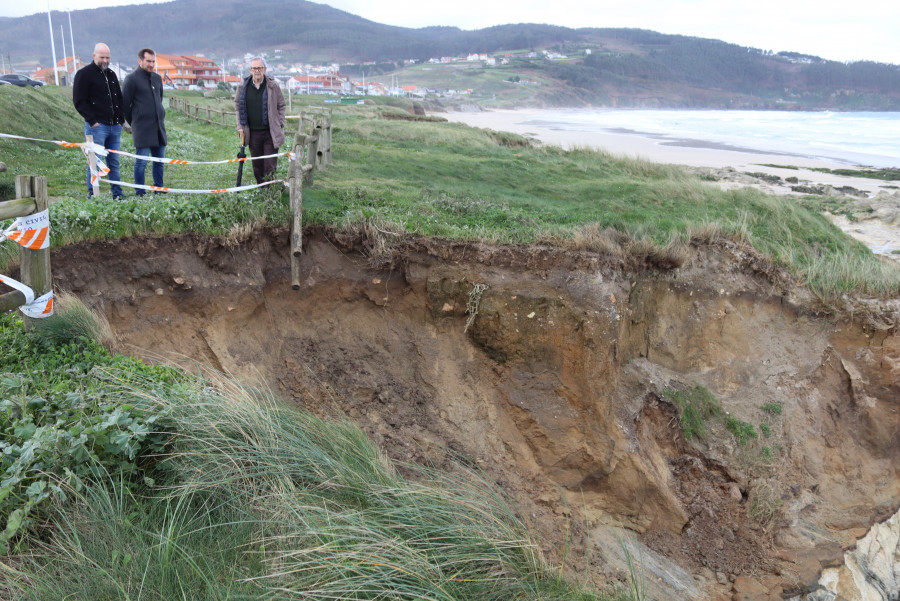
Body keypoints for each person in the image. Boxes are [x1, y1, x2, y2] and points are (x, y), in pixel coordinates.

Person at [73, 42, 125, 199]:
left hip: (114, 126)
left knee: (114, 163)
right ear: (94, 55)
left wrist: (120, 120)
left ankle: (117, 194)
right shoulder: (84, 74)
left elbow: (119, 98)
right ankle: (93, 195)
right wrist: (93, 121)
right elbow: (79, 101)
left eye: (107, 57)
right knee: (95, 163)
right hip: (97, 127)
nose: (105, 60)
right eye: (102, 57)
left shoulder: (112, 75)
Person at [122, 48, 167, 195]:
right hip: (142, 129)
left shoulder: (157, 78)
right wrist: (135, 121)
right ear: (140, 60)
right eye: (148, 61)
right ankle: (140, 192)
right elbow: (125, 106)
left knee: (159, 162)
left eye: (153, 61)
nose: (151, 64)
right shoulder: (131, 79)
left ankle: (159, 189)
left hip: (158, 128)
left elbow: (159, 99)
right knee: (141, 162)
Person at [234, 57, 285, 184]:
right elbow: (237, 106)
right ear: (250, 70)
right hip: (252, 133)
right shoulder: (243, 86)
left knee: (270, 165)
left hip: (270, 132)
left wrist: (280, 123)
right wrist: (240, 126)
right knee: (257, 165)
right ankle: (262, 190)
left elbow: (281, 105)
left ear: (264, 69)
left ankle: (270, 192)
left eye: (259, 68)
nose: (257, 70)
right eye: (254, 68)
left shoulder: (273, 86)